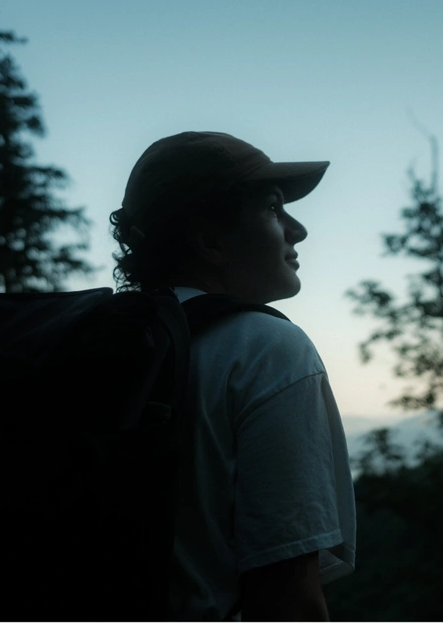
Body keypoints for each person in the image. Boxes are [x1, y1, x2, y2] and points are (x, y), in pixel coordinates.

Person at [108, 131, 356, 621]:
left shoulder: (109, 343)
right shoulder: (265, 349)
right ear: (211, 241)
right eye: (272, 208)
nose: (297, 229)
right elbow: (288, 600)